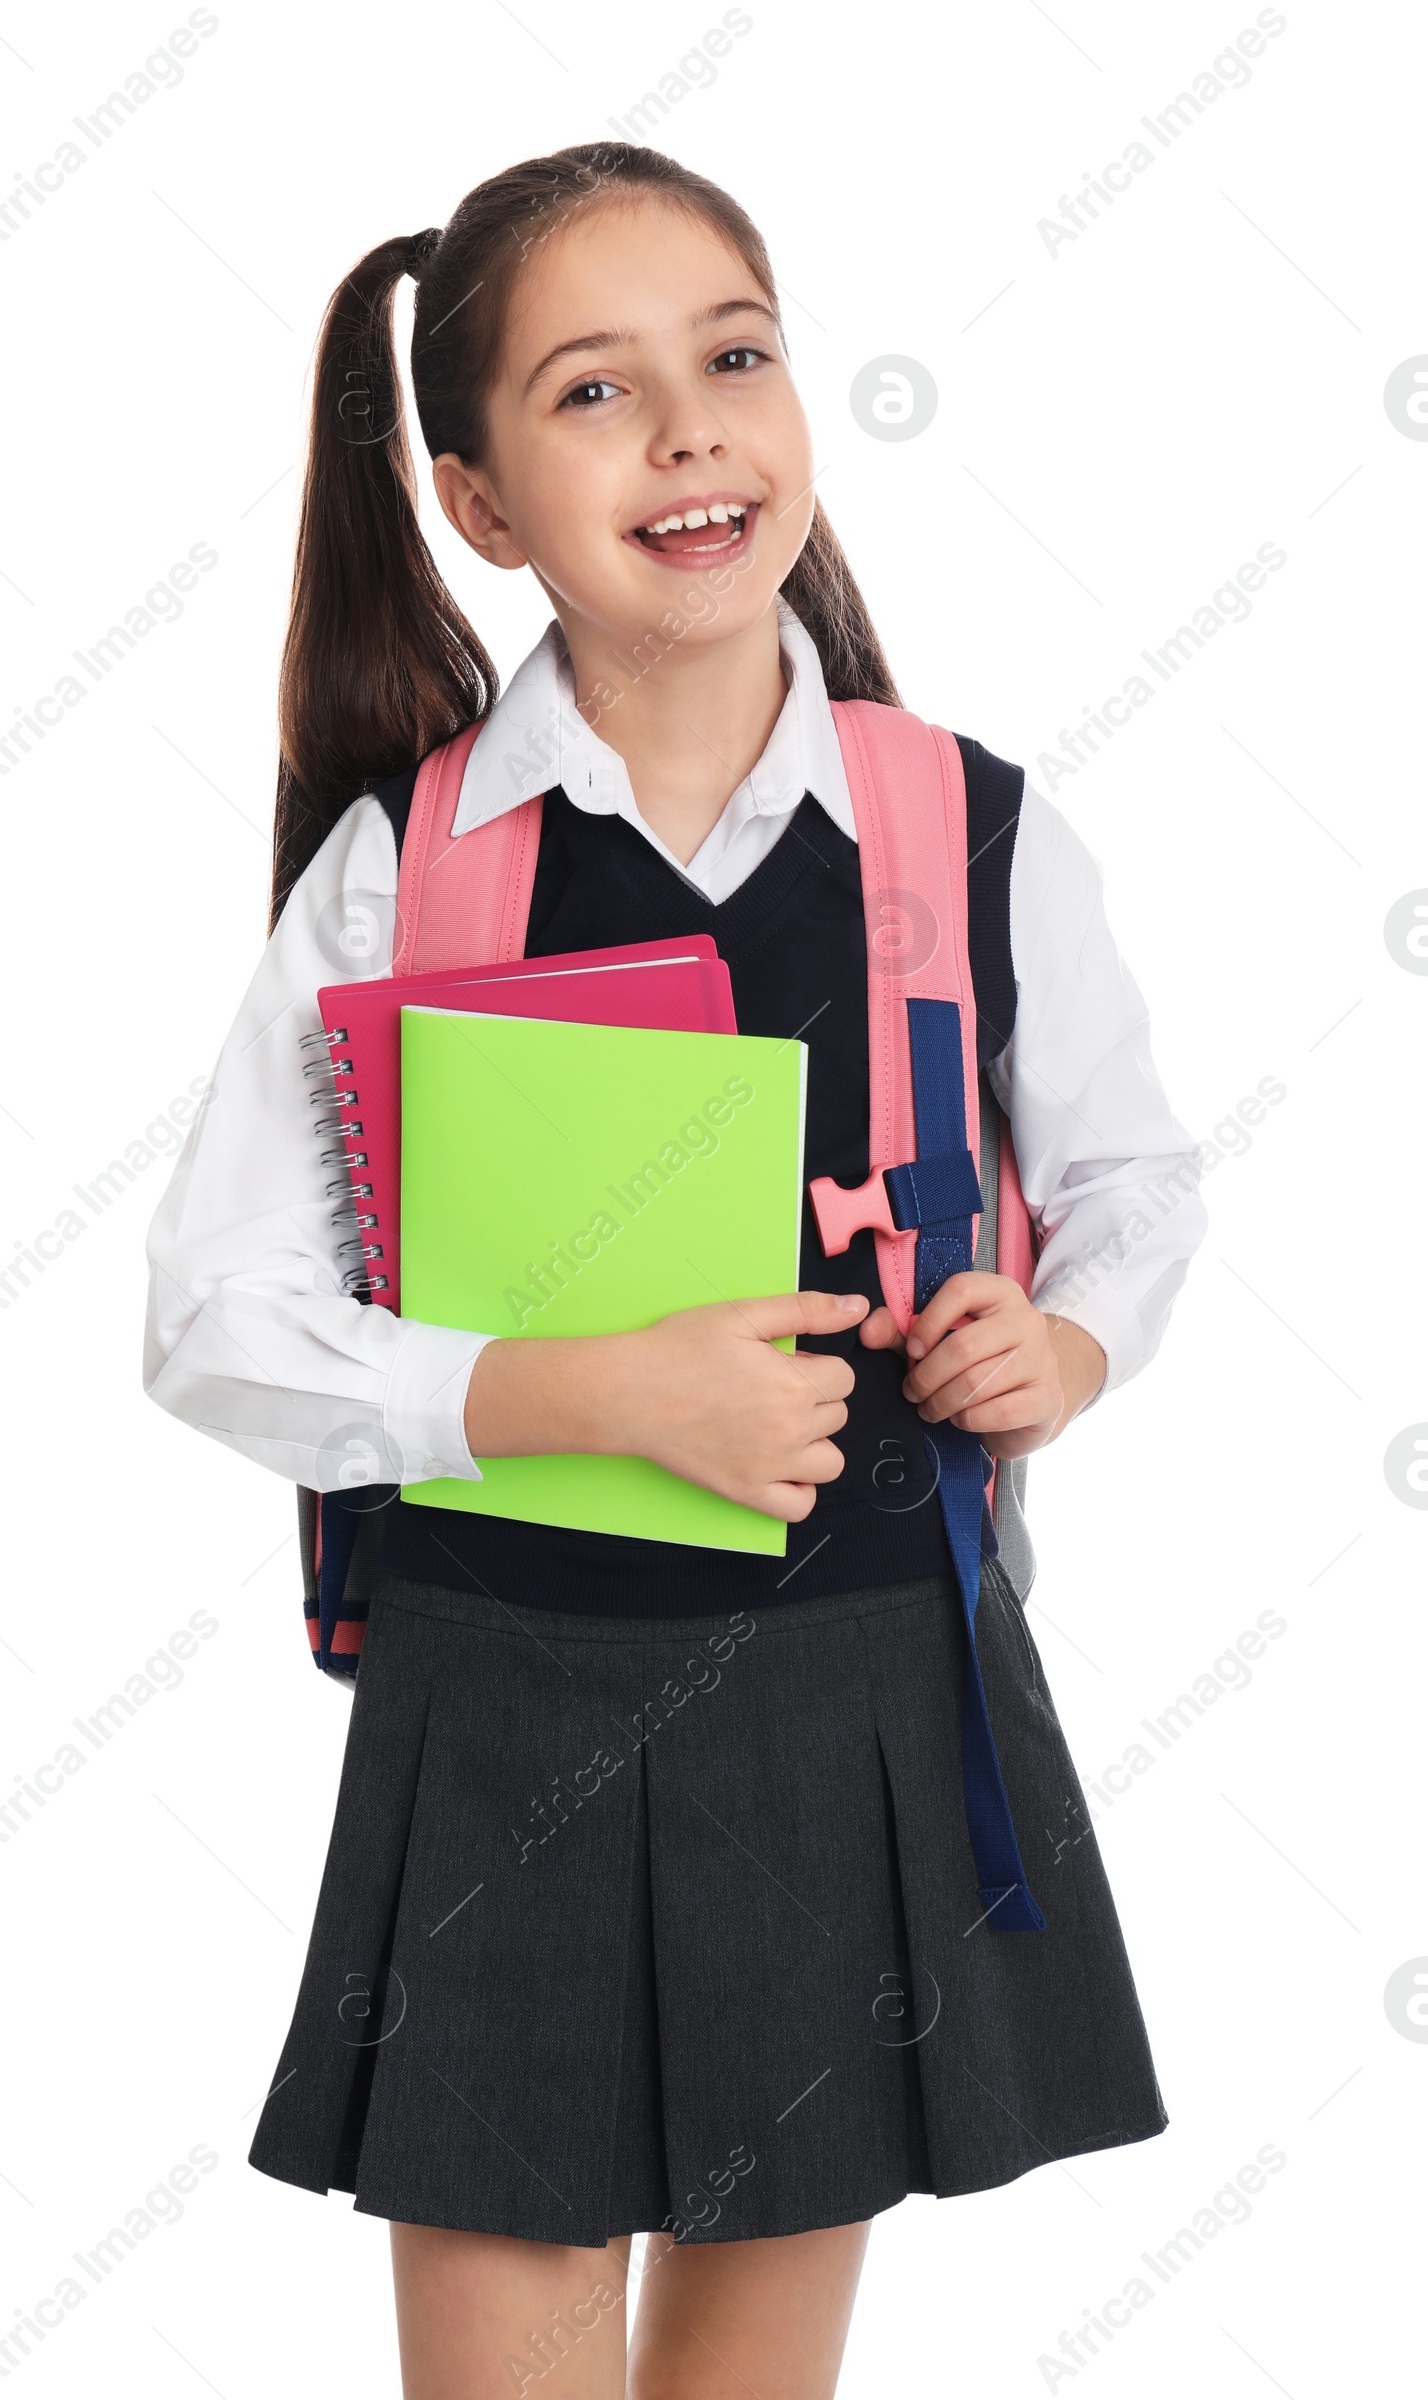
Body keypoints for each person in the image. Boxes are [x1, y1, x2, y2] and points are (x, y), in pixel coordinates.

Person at [143, 142, 1206, 2400]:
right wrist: (585, 1394)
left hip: (853, 1693)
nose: (693, 428)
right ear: (481, 502)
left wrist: (1067, 1340)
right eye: (594, 391)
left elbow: (1126, 1181)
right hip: (507, 1686)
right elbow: (213, 1323)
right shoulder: (406, 873)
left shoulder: (961, 827)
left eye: (732, 358)